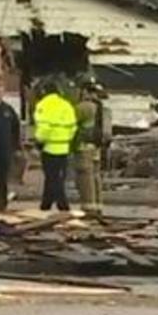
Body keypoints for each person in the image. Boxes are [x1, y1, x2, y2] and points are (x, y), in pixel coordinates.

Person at [34, 81, 78, 212]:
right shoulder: (66, 105)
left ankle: (62, 205)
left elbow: (44, 127)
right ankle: (45, 205)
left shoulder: (43, 105)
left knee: (52, 177)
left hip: (49, 147)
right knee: (57, 177)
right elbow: (73, 127)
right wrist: (66, 139)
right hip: (64, 147)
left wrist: (39, 140)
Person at [75, 81, 108, 217]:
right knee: (95, 176)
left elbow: (72, 122)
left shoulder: (84, 107)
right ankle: (97, 205)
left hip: (84, 146)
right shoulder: (102, 108)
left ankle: (88, 207)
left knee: (85, 176)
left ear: (85, 92)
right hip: (97, 146)